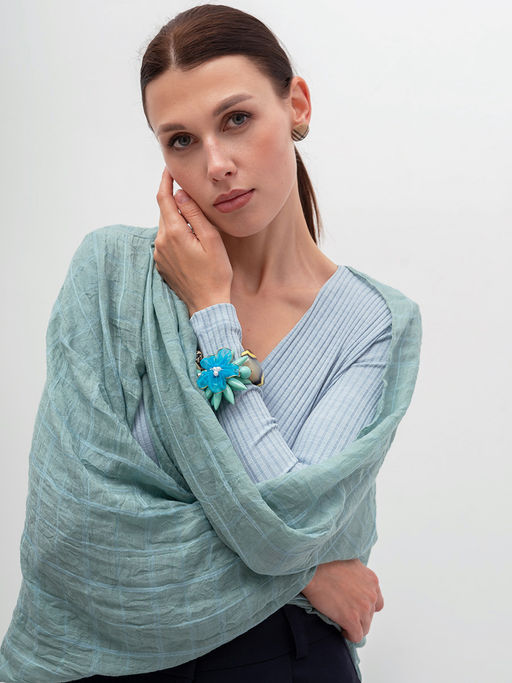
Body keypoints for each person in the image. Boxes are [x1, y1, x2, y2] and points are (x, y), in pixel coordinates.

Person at [74, 4, 391, 681]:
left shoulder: (371, 323)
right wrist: (309, 576)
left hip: (286, 658)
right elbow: (77, 526)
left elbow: (294, 521)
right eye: (181, 140)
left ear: (297, 105)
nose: (215, 163)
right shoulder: (111, 275)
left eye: (237, 119)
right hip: (119, 660)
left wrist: (211, 311)